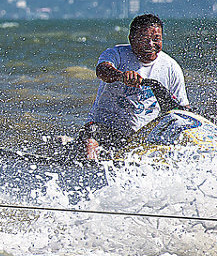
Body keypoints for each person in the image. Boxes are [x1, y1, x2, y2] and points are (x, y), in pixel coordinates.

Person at [80, 13, 188, 160]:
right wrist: (121, 76)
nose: (151, 45)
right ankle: (88, 165)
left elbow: (182, 111)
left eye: (156, 40)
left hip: (141, 137)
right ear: (131, 39)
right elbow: (102, 71)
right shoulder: (116, 54)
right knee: (90, 140)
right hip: (104, 127)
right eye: (144, 39)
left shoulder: (171, 67)